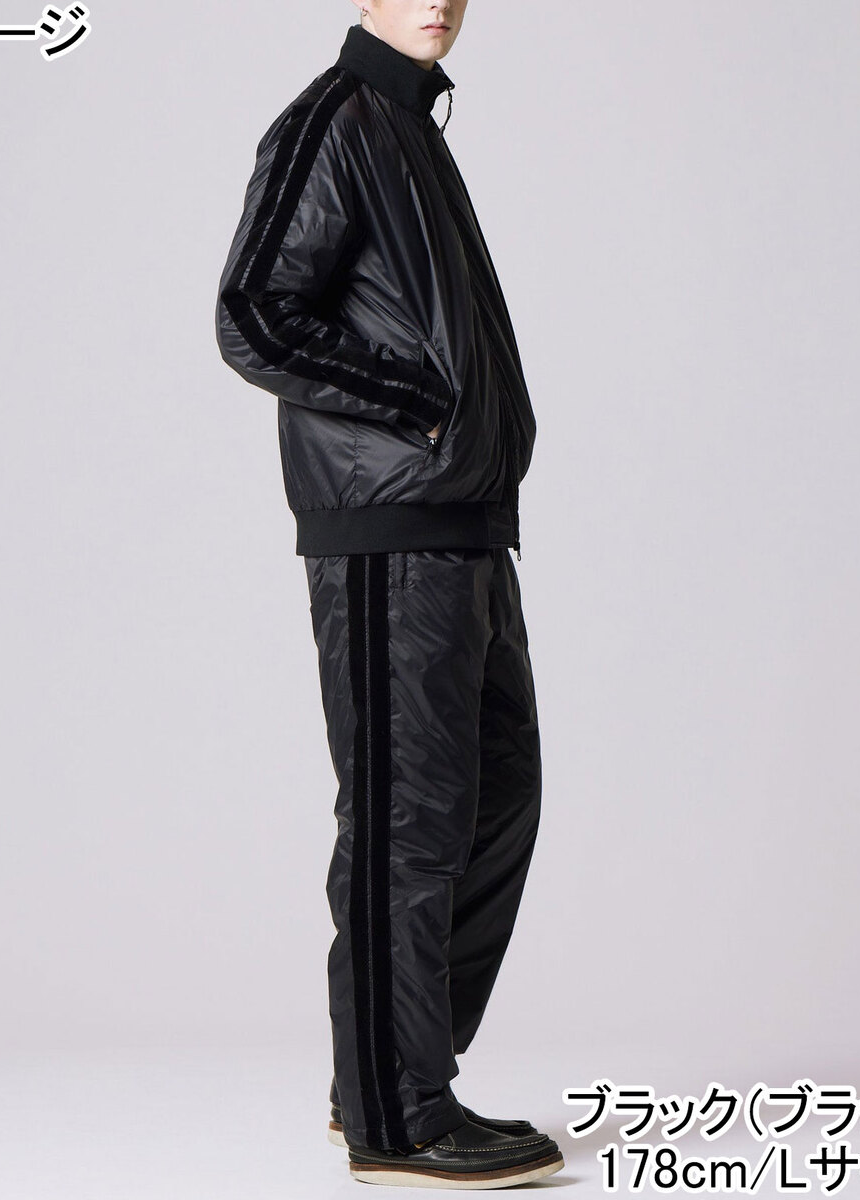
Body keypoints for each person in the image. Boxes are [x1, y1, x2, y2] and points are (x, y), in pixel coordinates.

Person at [215, 1, 561, 1188]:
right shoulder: (334, 120)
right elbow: (253, 314)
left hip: (464, 525)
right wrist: (417, 408)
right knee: (407, 818)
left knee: (497, 794)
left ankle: (386, 1069)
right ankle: (395, 1115)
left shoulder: (409, 123)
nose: (438, 0)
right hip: (390, 530)